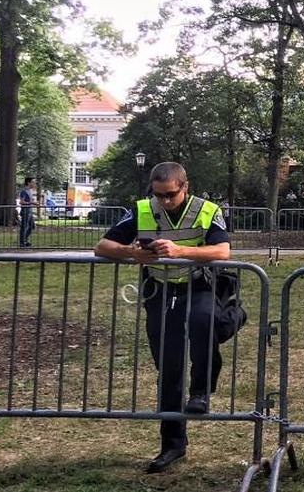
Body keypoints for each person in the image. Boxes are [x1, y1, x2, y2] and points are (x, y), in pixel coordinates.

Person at [93, 162, 230, 473]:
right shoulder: (142, 209)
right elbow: (101, 246)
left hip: (200, 286)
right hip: (160, 293)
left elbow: (223, 251)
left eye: (170, 195)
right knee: (168, 369)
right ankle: (173, 445)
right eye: (159, 195)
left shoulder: (207, 210)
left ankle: (200, 391)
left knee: (203, 323)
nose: (164, 201)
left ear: (185, 187)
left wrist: (180, 250)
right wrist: (132, 253)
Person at [18, 177, 35, 247]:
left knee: (32, 226)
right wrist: (32, 202)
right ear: (28, 183)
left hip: (30, 211)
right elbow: (21, 202)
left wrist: (32, 202)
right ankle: (22, 243)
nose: (34, 183)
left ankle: (25, 240)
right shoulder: (24, 191)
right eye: (33, 182)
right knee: (24, 227)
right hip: (25, 211)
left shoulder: (30, 191)